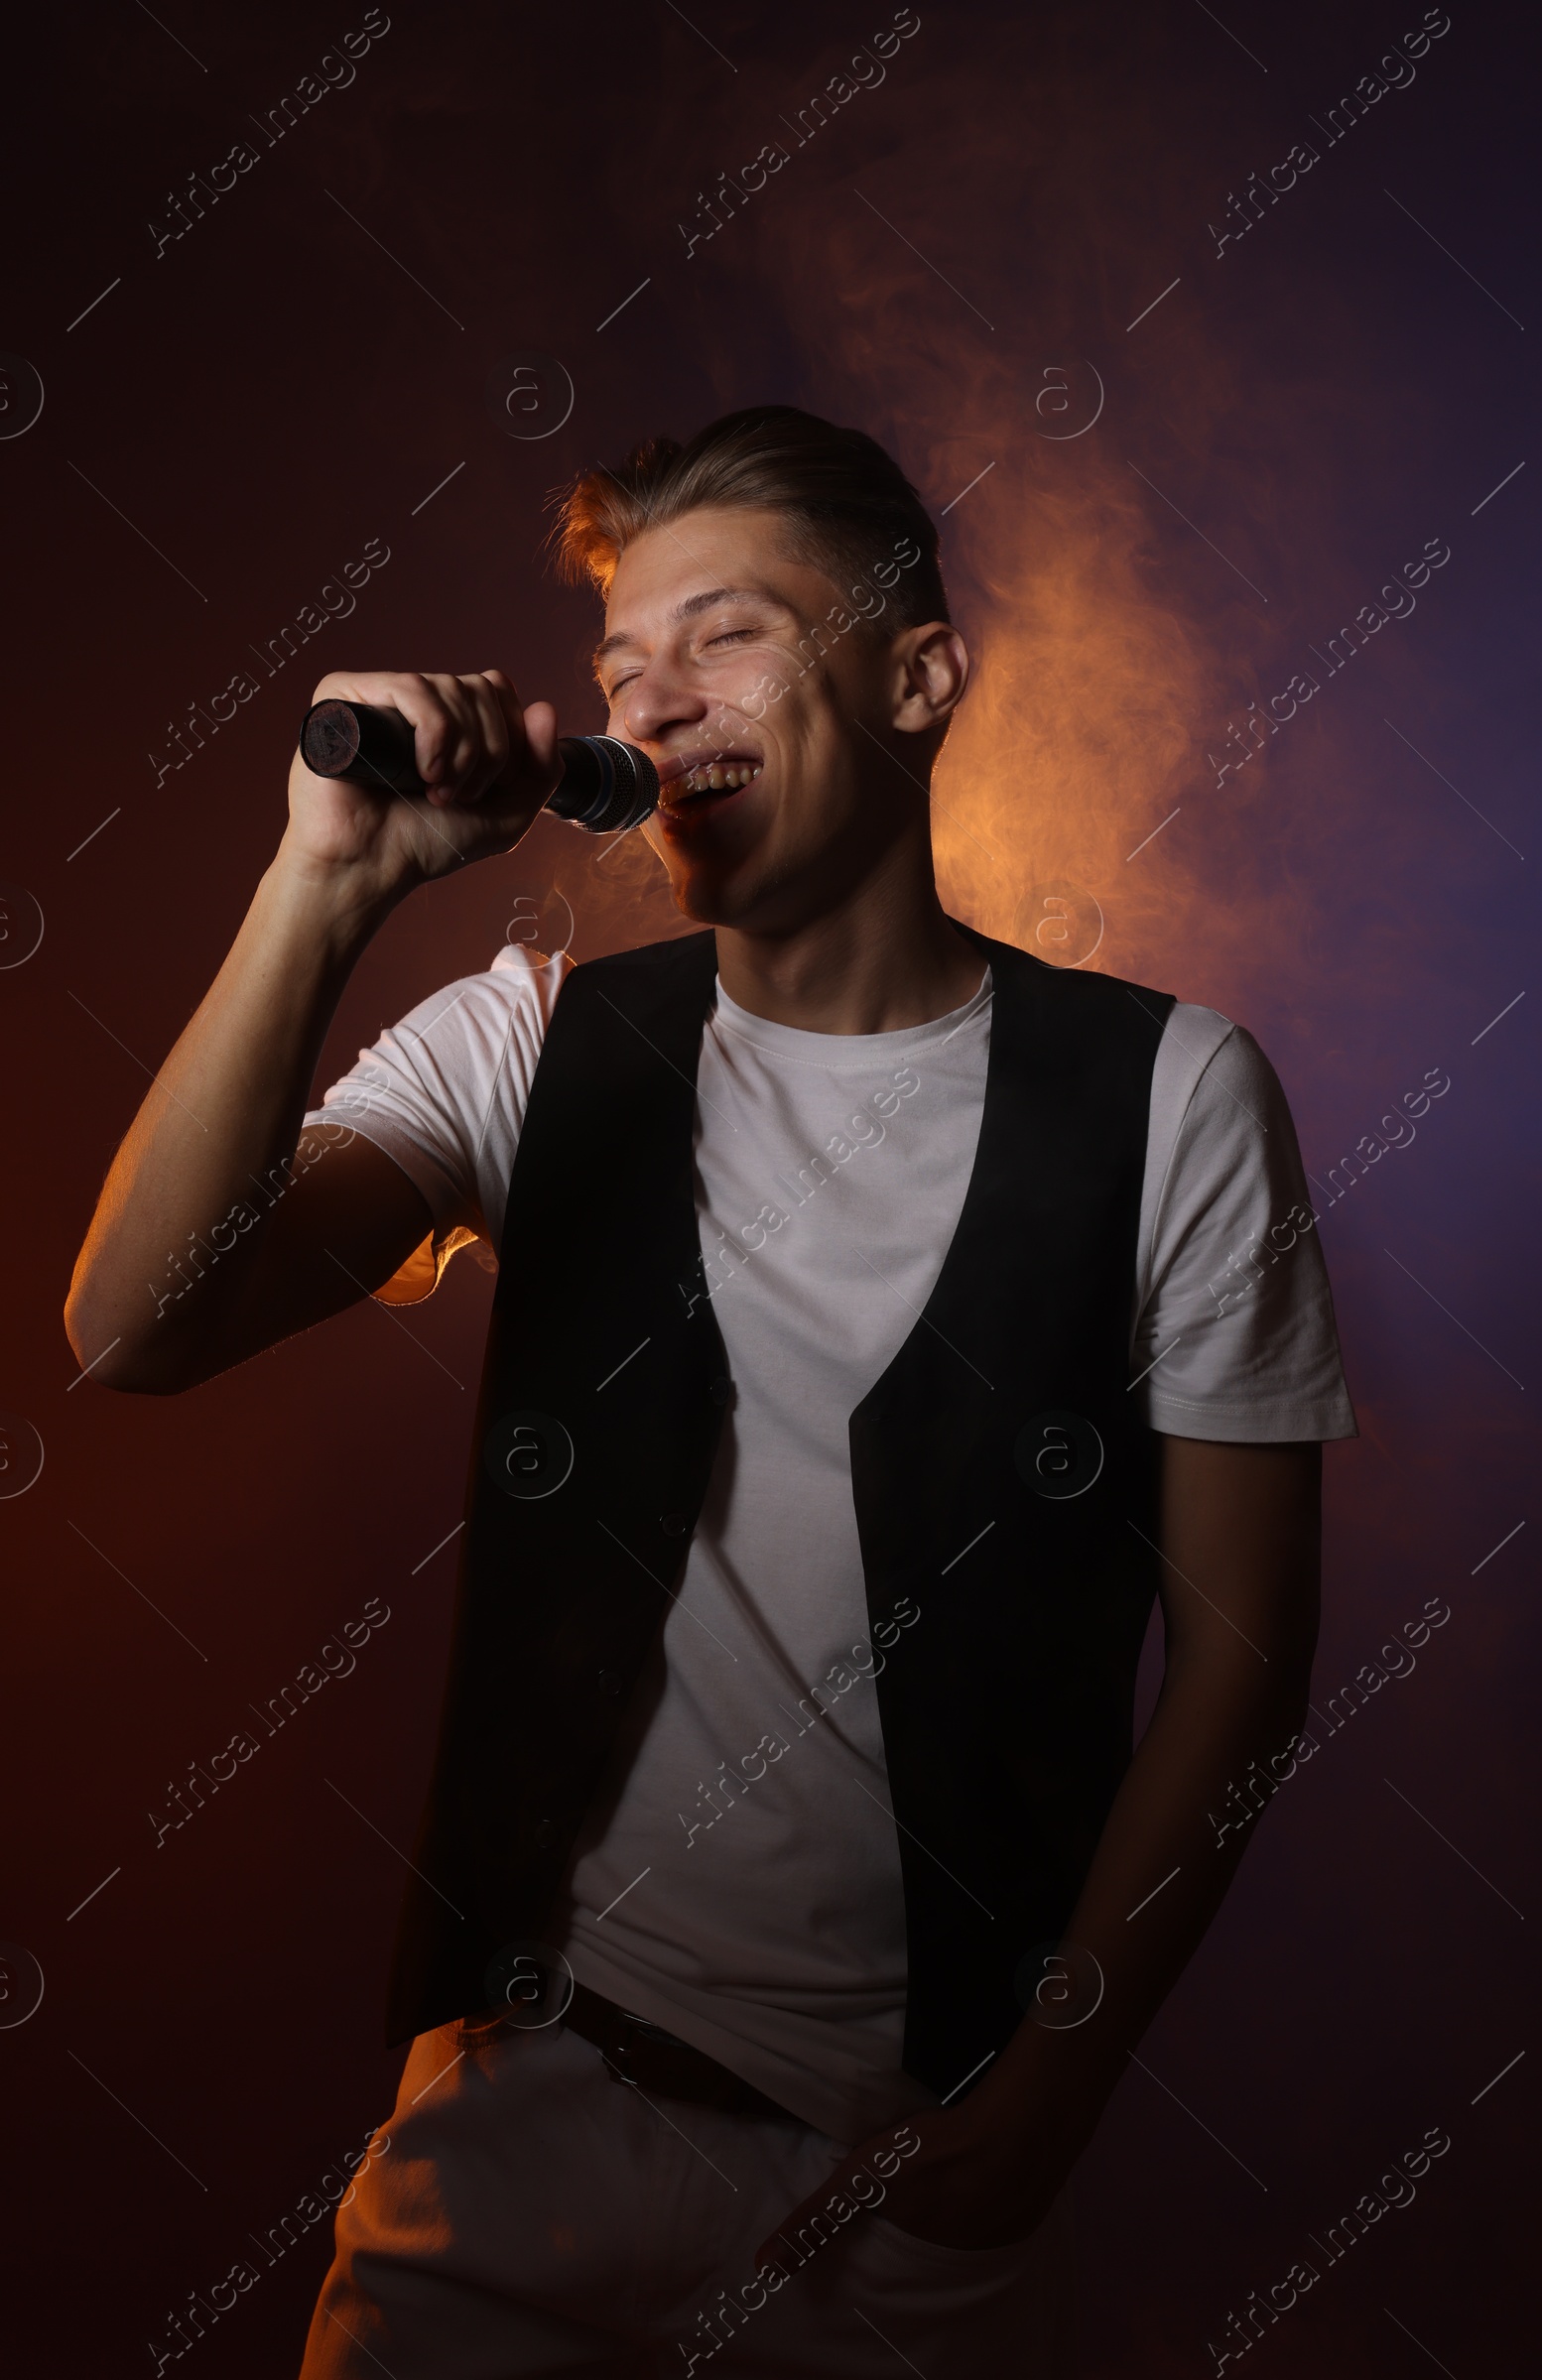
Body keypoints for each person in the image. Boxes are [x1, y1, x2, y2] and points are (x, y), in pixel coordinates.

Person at [66, 405, 1355, 2377]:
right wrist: (327, 884)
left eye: (726, 634)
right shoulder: (528, 1043)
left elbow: (1245, 1658)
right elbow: (133, 1329)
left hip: (902, 2208)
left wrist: (1030, 2125)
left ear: (915, 676)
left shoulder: (1171, 1095)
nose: (653, 702)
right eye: (618, 665)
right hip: (514, 2139)